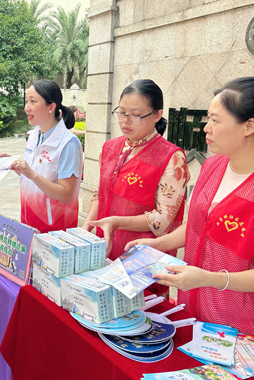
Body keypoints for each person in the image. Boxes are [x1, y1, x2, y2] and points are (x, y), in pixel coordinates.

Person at [127, 77, 254, 357]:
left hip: (243, 326)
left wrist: (209, 278)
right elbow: (198, 226)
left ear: (249, 126)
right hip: (196, 307)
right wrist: (156, 245)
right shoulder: (214, 166)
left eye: (215, 120)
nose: (206, 128)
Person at [82, 79, 189, 297]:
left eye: (136, 115)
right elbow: (99, 193)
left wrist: (117, 222)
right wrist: (86, 229)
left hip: (141, 259)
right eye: (121, 113)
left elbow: (162, 221)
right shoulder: (110, 147)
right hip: (104, 248)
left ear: (157, 115)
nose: (125, 121)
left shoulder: (171, 157)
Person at [0, 79, 83, 233]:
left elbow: (65, 195)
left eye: (33, 101)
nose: (27, 108)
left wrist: (31, 173)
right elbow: (38, 173)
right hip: (29, 221)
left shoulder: (68, 144)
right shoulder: (34, 135)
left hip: (55, 229)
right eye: (26, 101)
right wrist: (11, 162)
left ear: (51, 106)